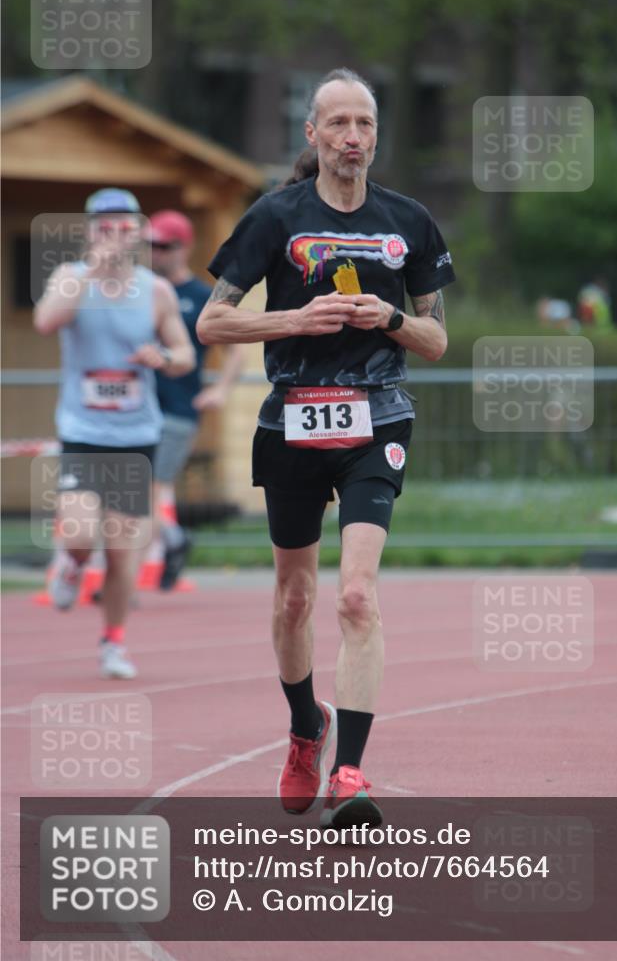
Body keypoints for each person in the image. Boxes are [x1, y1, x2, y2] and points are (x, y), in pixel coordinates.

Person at [197, 68, 454, 828]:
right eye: (336, 124)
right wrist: (294, 321)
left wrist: (392, 320)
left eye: (363, 125)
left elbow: (437, 338)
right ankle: (305, 727)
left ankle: (349, 771)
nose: (351, 138)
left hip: (377, 420)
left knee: (355, 595)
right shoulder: (275, 217)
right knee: (294, 598)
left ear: (377, 136)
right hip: (293, 425)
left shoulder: (409, 220)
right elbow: (212, 323)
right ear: (311, 134)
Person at [34, 188, 195, 679]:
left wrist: (162, 359)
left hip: (135, 434)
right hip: (84, 431)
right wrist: (94, 271)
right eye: (104, 226)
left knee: (124, 554)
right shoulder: (69, 278)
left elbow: (185, 355)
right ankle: (71, 565)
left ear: (138, 234)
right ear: (90, 231)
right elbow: (46, 322)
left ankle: (113, 642)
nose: (114, 235)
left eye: (124, 227)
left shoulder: (156, 291)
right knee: (82, 534)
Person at [147, 210, 244, 589]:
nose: (155, 253)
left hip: (177, 410)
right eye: (150, 245)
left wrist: (220, 389)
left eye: (163, 246)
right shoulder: (143, 292)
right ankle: (168, 542)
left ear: (183, 247)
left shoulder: (201, 297)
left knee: (146, 490)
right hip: (138, 410)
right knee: (133, 492)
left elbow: (234, 350)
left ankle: (167, 544)